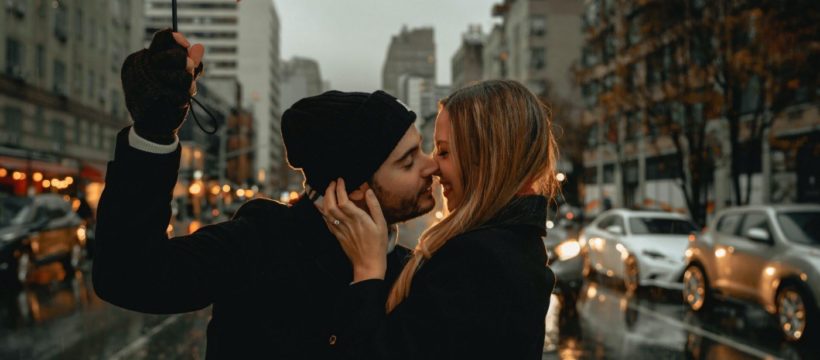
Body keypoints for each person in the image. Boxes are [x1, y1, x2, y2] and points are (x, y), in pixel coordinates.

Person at [92, 29, 438, 359]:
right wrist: (153, 134)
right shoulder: (263, 244)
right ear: (356, 190)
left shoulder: (417, 272)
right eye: (408, 162)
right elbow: (129, 276)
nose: (431, 166)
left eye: (422, 150)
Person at [320, 80, 560, 359]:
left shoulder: (477, 260)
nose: (433, 166)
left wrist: (368, 271)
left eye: (444, 152)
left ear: (487, 158)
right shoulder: (514, 244)